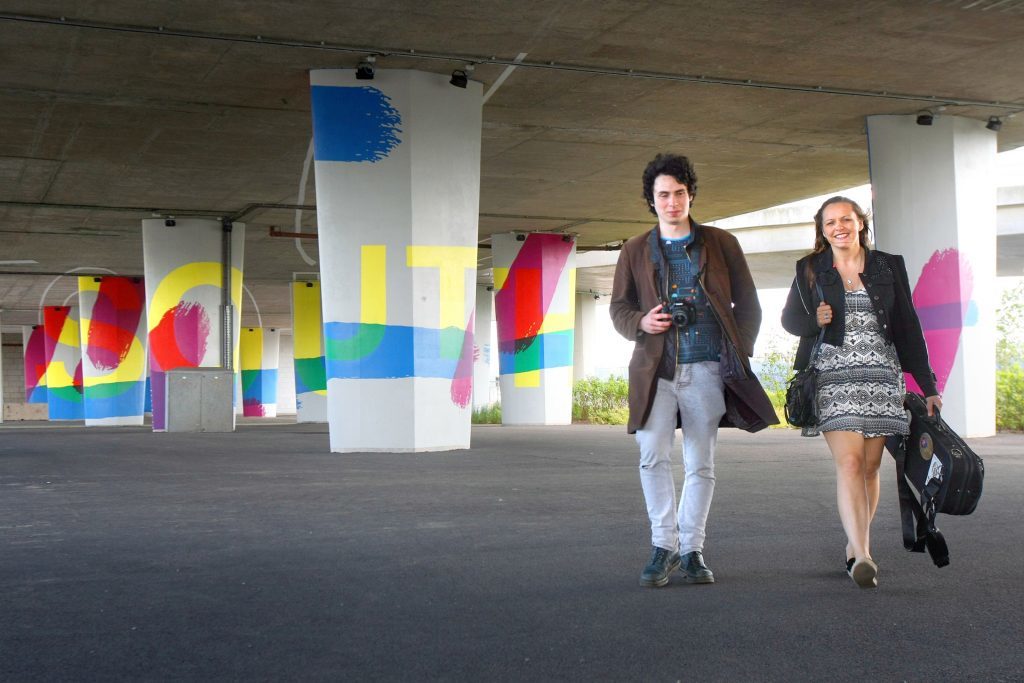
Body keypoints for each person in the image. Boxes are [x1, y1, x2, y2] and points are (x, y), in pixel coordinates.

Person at [610, 153, 765, 588]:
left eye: (679, 193)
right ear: (651, 200)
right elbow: (619, 307)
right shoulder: (635, 249)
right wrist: (641, 322)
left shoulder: (721, 243)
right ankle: (663, 546)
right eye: (663, 195)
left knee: (701, 462)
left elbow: (749, 304)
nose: (672, 202)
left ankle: (692, 549)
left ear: (690, 195)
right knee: (652, 456)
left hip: (707, 369)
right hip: (654, 371)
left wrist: (738, 349)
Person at [781, 196, 941, 589]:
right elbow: (789, 320)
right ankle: (864, 555)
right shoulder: (810, 269)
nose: (839, 226)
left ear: (860, 223)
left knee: (870, 468)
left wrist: (929, 385)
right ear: (822, 230)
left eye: (846, 219)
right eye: (831, 222)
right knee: (849, 464)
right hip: (834, 375)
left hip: (882, 377)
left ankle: (855, 548)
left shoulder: (888, 265)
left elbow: (907, 326)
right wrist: (814, 320)